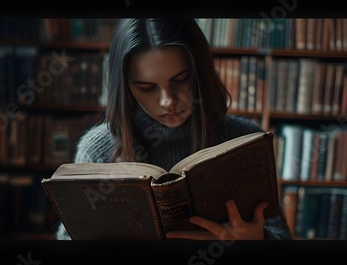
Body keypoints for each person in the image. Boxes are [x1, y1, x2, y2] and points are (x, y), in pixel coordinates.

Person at [56, 18, 292, 240]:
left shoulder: (243, 141)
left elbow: (281, 237)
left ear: (201, 73)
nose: (168, 101)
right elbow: (68, 236)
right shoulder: (97, 150)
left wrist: (259, 239)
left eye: (181, 79)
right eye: (147, 87)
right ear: (126, 87)